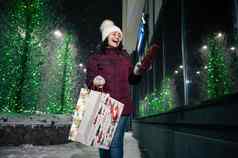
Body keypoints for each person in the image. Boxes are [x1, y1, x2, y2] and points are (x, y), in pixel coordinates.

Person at [86, 19, 158, 158]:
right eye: (114, 34)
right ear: (106, 36)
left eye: (119, 35)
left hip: (122, 105)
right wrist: (95, 80)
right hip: (103, 104)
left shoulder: (125, 57)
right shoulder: (96, 58)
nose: (117, 37)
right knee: (103, 143)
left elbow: (132, 79)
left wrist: (137, 71)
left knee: (115, 142)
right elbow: (89, 79)